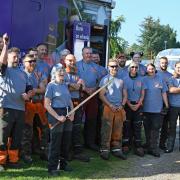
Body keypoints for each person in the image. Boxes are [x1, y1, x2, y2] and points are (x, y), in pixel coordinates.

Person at [0, 34, 31, 171]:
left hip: (20, 109)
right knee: (2, 137)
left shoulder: (23, 73)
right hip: (5, 108)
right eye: (14, 56)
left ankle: (13, 160)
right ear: (8, 57)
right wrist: (6, 45)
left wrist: (28, 95)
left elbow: (30, 89)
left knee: (17, 136)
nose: (16, 58)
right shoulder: (4, 70)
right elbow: (2, 62)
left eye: (18, 56)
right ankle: (1, 162)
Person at [44, 68, 74, 176]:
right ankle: (52, 168)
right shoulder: (51, 86)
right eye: (59, 71)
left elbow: (69, 100)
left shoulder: (65, 85)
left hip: (67, 113)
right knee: (56, 142)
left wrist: (72, 113)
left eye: (63, 71)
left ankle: (63, 164)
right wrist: (57, 117)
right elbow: (46, 105)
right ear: (54, 74)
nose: (61, 73)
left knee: (66, 141)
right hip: (56, 114)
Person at [20, 54, 48, 164]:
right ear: (24, 62)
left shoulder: (38, 73)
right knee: (27, 131)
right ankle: (25, 154)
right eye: (29, 61)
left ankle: (43, 151)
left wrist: (33, 91)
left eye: (34, 61)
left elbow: (43, 89)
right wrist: (30, 91)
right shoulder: (21, 74)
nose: (32, 63)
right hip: (27, 104)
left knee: (44, 130)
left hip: (39, 104)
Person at [99, 59, 127, 160]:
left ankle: (116, 149)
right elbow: (101, 96)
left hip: (119, 108)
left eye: (115, 66)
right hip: (108, 108)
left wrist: (122, 105)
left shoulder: (121, 80)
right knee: (106, 130)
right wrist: (110, 105)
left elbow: (125, 95)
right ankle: (104, 150)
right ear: (108, 67)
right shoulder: (105, 80)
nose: (114, 68)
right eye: (112, 66)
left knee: (118, 130)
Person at [64, 54, 90, 162]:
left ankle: (78, 152)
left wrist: (73, 85)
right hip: (65, 104)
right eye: (69, 60)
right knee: (67, 128)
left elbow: (82, 87)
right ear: (65, 61)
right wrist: (74, 85)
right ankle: (67, 151)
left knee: (77, 128)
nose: (72, 63)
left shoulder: (78, 74)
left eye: (73, 61)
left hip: (77, 103)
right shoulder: (62, 73)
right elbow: (63, 88)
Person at [76, 47, 103, 151]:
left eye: (90, 53)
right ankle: (78, 144)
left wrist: (95, 88)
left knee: (92, 120)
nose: (88, 55)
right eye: (86, 53)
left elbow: (101, 80)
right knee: (78, 120)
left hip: (93, 96)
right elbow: (75, 79)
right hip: (81, 95)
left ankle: (90, 143)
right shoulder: (77, 65)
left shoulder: (97, 67)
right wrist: (86, 89)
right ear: (82, 54)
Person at [143, 63, 169, 157]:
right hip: (146, 109)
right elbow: (142, 94)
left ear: (155, 69)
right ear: (147, 70)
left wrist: (166, 105)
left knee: (155, 129)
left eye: (152, 68)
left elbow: (164, 93)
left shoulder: (160, 78)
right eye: (149, 69)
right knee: (147, 129)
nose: (151, 70)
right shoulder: (144, 79)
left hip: (157, 109)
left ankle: (154, 149)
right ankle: (149, 146)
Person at [123, 62, 145, 157]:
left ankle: (138, 146)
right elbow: (124, 94)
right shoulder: (124, 79)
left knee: (137, 126)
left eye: (136, 67)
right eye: (132, 67)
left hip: (138, 105)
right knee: (127, 126)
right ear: (129, 68)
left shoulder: (141, 79)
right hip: (128, 105)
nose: (134, 69)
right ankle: (126, 145)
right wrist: (129, 104)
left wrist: (138, 104)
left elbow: (143, 93)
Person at [157, 57, 172, 150]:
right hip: (157, 102)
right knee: (155, 124)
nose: (164, 64)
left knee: (165, 125)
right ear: (159, 63)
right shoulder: (156, 73)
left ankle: (162, 143)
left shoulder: (170, 75)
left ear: (168, 64)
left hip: (167, 102)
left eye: (165, 63)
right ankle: (152, 143)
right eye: (162, 63)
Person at [165, 61, 180, 153]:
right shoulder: (171, 79)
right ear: (175, 68)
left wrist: (176, 89)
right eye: (178, 67)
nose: (179, 69)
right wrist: (175, 89)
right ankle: (170, 146)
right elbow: (171, 90)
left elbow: (175, 90)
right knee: (172, 127)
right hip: (173, 107)